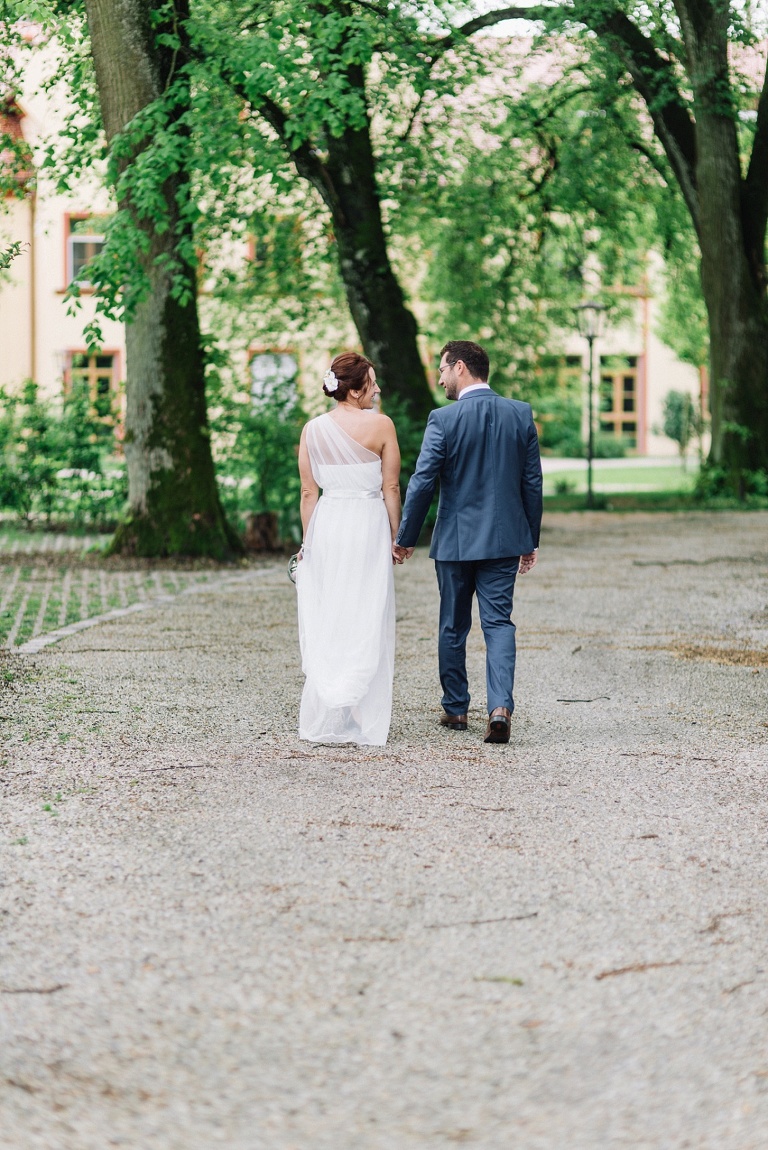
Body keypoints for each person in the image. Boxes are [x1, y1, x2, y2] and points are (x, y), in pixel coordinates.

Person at [393, 340, 542, 744]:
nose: (440, 378)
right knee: (498, 624)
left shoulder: (443, 420)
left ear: (460, 367)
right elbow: (531, 481)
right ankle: (499, 708)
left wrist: (405, 537)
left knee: (453, 625)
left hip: (456, 543)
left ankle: (456, 709)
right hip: (504, 541)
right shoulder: (519, 414)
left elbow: (423, 482)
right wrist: (531, 539)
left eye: (442, 369)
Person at [296, 352, 402, 745]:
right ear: (355, 390)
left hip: (328, 525)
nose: (376, 389)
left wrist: (308, 544)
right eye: (371, 383)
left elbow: (309, 491)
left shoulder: (312, 430)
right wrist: (396, 537)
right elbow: (390, 488)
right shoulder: (381, 425)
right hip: (366, 522)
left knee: (331, 610)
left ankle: (335, 703)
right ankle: (359, 706)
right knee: (367, 610)